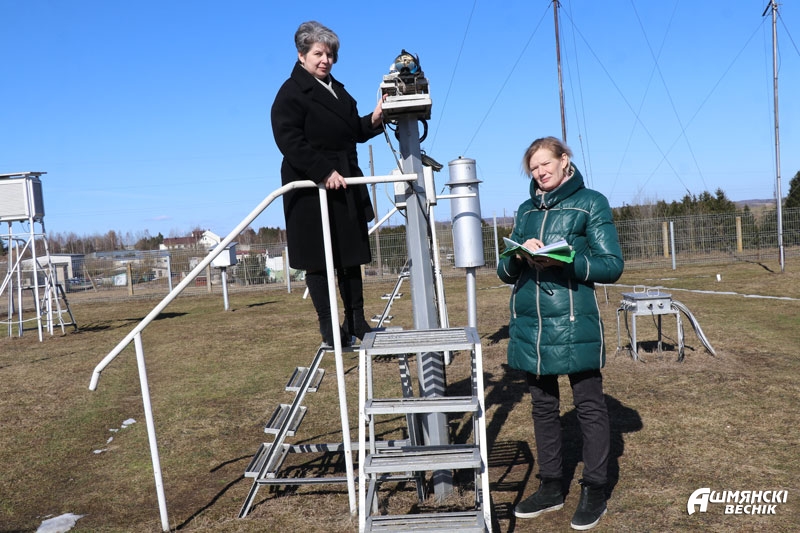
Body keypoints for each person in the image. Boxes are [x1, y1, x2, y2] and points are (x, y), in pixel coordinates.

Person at [496, 136, 624, 530]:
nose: (540, 172)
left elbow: (611, 265)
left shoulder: (591, 202)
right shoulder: (525, 210)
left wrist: (565, 260)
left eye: (545, 164)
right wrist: (518, 254)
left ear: (564, 160)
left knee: (589, 405)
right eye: (533, 168)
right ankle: (551, 485)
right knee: (542, 406)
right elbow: (504, 272)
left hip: (573, 322)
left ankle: (596, 488)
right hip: (530, 324)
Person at [271, 21, 385, 347]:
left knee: (350, 257)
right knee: (319, 261)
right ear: (301, 55)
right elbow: (289, 140)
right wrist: (323, 172)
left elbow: (352, 131)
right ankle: (329, 326)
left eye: (330, 55)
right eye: (318, 54)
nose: (326, 60)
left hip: (345, 181)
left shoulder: (338, 90)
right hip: (310, 187)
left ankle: (356, 320)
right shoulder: (291, 93)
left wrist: (374, 118)